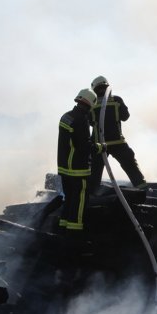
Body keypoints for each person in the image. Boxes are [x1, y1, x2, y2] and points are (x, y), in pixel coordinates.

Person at [89, 75, 148, 191]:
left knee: (94, 171)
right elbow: (125, 116)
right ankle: (142, 188)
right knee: (130, 165)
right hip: (118, 143)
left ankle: (92, 193)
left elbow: (90, 122)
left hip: (99, 144)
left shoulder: (91, 104)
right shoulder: (116, 100)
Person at [58, 89, 102, 233]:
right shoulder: (81, 120)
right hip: (78, 170)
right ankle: (74, 233)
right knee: (79, 202)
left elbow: (72, 139)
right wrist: (100, 147)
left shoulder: (66, 116)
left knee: (69, 199)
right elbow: (83, 146)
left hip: (65, 168)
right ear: (91, 104)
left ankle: (62, 229)